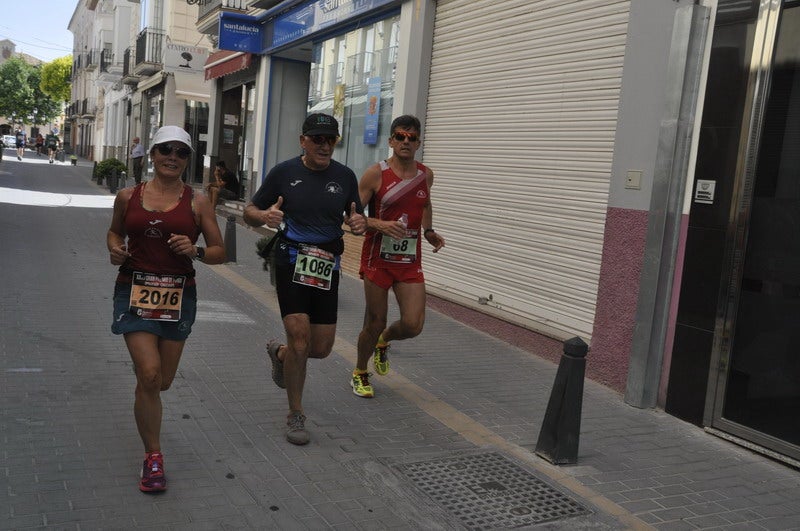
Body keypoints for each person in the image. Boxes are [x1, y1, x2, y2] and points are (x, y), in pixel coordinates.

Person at [107, 125, 225, 492]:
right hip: (134, 290)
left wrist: (196, 250)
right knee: (150, 374)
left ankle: (147, 385)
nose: (172, 157)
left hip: (178, 295)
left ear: (188, 159)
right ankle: (153, 457)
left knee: (163, 382)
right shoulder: (127, 196)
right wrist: (114, 249)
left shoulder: (198, 202)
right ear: (153, 154)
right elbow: (114, 232)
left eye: (181, 152)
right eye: (165, 150)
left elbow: (220, 251)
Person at [243, 113, 366, 445]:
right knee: (301, 339)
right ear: (303, 141)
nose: (324, 146)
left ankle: (282, 355)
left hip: (327, 265)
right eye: (317, 139)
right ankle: (295, 413)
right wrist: (264, 215)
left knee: (320, 348)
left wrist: (360, 224)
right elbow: (248, 211)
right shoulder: (284, 173)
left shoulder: (345, 176)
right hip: (291, 260)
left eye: (331, 140)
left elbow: (356, 216)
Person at [351, 115, 446, 398]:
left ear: (418, 143)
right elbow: (351, 216)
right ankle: (360, 371)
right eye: (401, 136)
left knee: (414, 324)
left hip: (409, 262)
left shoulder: (426, 175)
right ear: (391, 141)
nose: (406, 141)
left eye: (412, 138)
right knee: (374, 321)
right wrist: (380, 224)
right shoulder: (375, 174)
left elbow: (425, 204)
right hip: (377, 260)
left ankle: (384, 340)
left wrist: (428, 231)